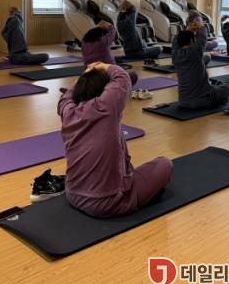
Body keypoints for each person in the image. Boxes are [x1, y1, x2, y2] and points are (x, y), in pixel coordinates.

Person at [57, 62, 172, 217]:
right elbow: (123, 78)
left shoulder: (67, 112)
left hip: (73, 194)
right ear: (103, 92)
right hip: (107, 202)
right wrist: (104, 65)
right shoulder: (105, 107)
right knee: (164, 164)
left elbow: (65, 98)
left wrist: (84, 77)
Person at [172, 21, 229, 109]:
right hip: (201, 100)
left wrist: (187, 30)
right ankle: (217, 99)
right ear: (191, 41)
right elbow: (202, 38)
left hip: (183, 101)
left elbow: (175, 41)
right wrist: (200, 26)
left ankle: (217, 97)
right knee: (228, 87)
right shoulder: (195, 51)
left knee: (216, 90)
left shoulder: (174, 55)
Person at [82, 21, 138, 86]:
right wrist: (109, 25)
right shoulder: (102, 41)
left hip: (89, 78)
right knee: (133, 75)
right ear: (101, 35)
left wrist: (97, 27)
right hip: (106, 78)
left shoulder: (84, 43)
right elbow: (112, 32)